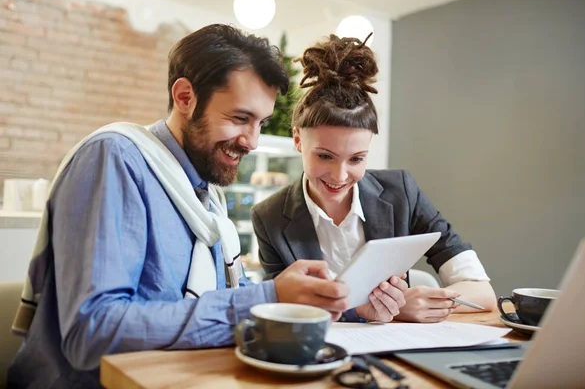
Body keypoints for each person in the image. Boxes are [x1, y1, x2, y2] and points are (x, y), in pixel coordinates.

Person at [8, 24, 353, 389]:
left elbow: (227, 302)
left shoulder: (207, 197)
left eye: (261, 123)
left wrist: (340, 306)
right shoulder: (115, 159)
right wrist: (268, 297)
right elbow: (93, 332)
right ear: (185, 97)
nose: (252, 141)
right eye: (240, 118)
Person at [251, 33, 496, 324]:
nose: (340, 176)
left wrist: (422, 304)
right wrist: (381, 309)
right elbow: (285, 308)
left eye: (356, 159)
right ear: (298, 140)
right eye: (325, 156)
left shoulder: (401, 192)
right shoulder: (269, 217)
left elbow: (482, 293)